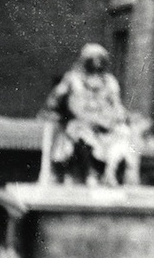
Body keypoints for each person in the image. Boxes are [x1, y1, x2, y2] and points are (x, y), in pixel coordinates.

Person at [45, 43, 129, 184]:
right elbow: (55, 100)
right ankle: (90, 172)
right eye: (93, 58)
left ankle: (110, 172)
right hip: (80, 121)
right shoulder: (73, 78)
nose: (97, 62)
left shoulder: (109, 81)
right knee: (80, 133)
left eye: (100, 58)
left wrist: (119, 115)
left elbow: (117, 104)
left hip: (104, 123)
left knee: (123, 132)